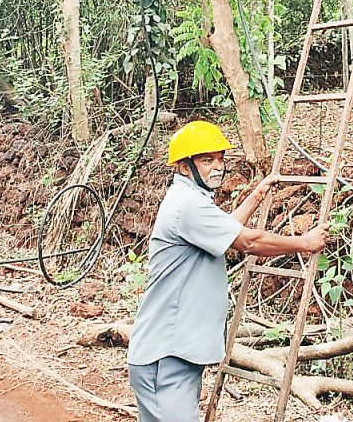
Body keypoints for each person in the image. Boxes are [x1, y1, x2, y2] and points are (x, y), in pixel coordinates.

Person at [127, 120, 329, 422]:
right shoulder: (188, 206)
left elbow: (228, 227)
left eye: (220, 159)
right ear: (184, 167)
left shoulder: (190, 201)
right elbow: (249, 240)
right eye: (207, 160)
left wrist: (257, 194)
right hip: (166, 357)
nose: (217, 167)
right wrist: (305, 242)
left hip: (174, 354)